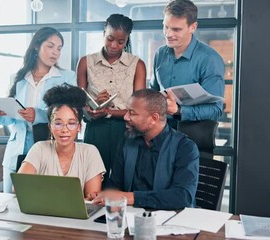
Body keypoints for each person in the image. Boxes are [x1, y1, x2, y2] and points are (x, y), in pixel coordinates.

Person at [0, 27, 76, 193]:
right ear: (37, 46)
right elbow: (13, 117)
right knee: (10, 202)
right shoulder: (19, 77)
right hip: (16, 150)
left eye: (59, 48)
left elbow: (70, 113)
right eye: (50, 46)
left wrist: (36, 114)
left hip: (48, 148)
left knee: (42, 204)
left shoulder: (67, 77)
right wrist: (0, 115)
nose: (55, 52)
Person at [93, 89, 199, 210]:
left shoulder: (185, 147)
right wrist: (104, 195)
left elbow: (182, 196)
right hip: (130, 218)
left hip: (171, 221)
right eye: (127, 111)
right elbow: (114, 185)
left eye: (132, 113)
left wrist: (130, 197)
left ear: (153, 118)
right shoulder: (127, 141)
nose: (125, 117)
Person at [76, 13, 146, 184]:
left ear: (127, 40)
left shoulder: (137, 64)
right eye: (110, 38)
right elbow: (79, 101)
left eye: (121, 42)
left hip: (126, 129)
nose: (114, 45)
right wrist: (91, 110)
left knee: (125, 180)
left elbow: (139, 108)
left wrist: (108, 112)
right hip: (95, 129)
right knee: (93, 179)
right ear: (103, 33)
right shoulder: (86, 62)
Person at [18, 84, 106, 197]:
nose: (65, 130)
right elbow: (19, 187)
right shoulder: (39, 148)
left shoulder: (90, 152)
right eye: (58, 123)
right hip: (43, 212)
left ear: (79, 127)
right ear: (50, 126)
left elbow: (92, 198)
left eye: (71, 123)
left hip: (77, 214)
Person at [150, 0, 225, 128]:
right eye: (166, 27)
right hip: (160, 136)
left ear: (193, 27)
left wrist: (179, 111)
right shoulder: (160, 54)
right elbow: (153, 92)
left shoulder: (209, 59)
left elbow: (216, 110)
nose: (168, 34)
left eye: (176, 29)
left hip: (193, 140)